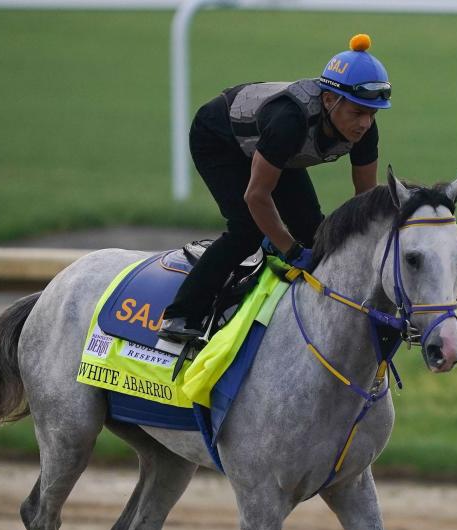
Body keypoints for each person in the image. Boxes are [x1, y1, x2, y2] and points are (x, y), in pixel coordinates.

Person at [157, 33, 392, 341]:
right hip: (218, 138)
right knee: (247, 230)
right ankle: (180, 314)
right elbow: (256, 195)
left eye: (372, 114)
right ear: (328, 99)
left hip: (273, 150)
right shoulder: (290, 121)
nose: (364, 123)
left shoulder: (364, 131)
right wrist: (290, 249)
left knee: (314, 232)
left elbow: (365, 204)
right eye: (357, 112)